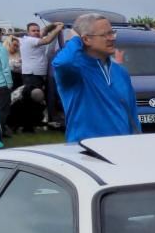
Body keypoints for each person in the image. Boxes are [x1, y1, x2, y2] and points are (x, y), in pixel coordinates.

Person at [50, 13, 137, 145]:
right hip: (85, 149)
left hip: (121, 148)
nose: (112, 38)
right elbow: (62, 62)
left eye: (112, 33)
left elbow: (132, 114)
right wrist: (75, 39)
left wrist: (136, 142)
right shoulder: (74, 71)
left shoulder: (120, 72)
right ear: (86, 39)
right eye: (105, 35)